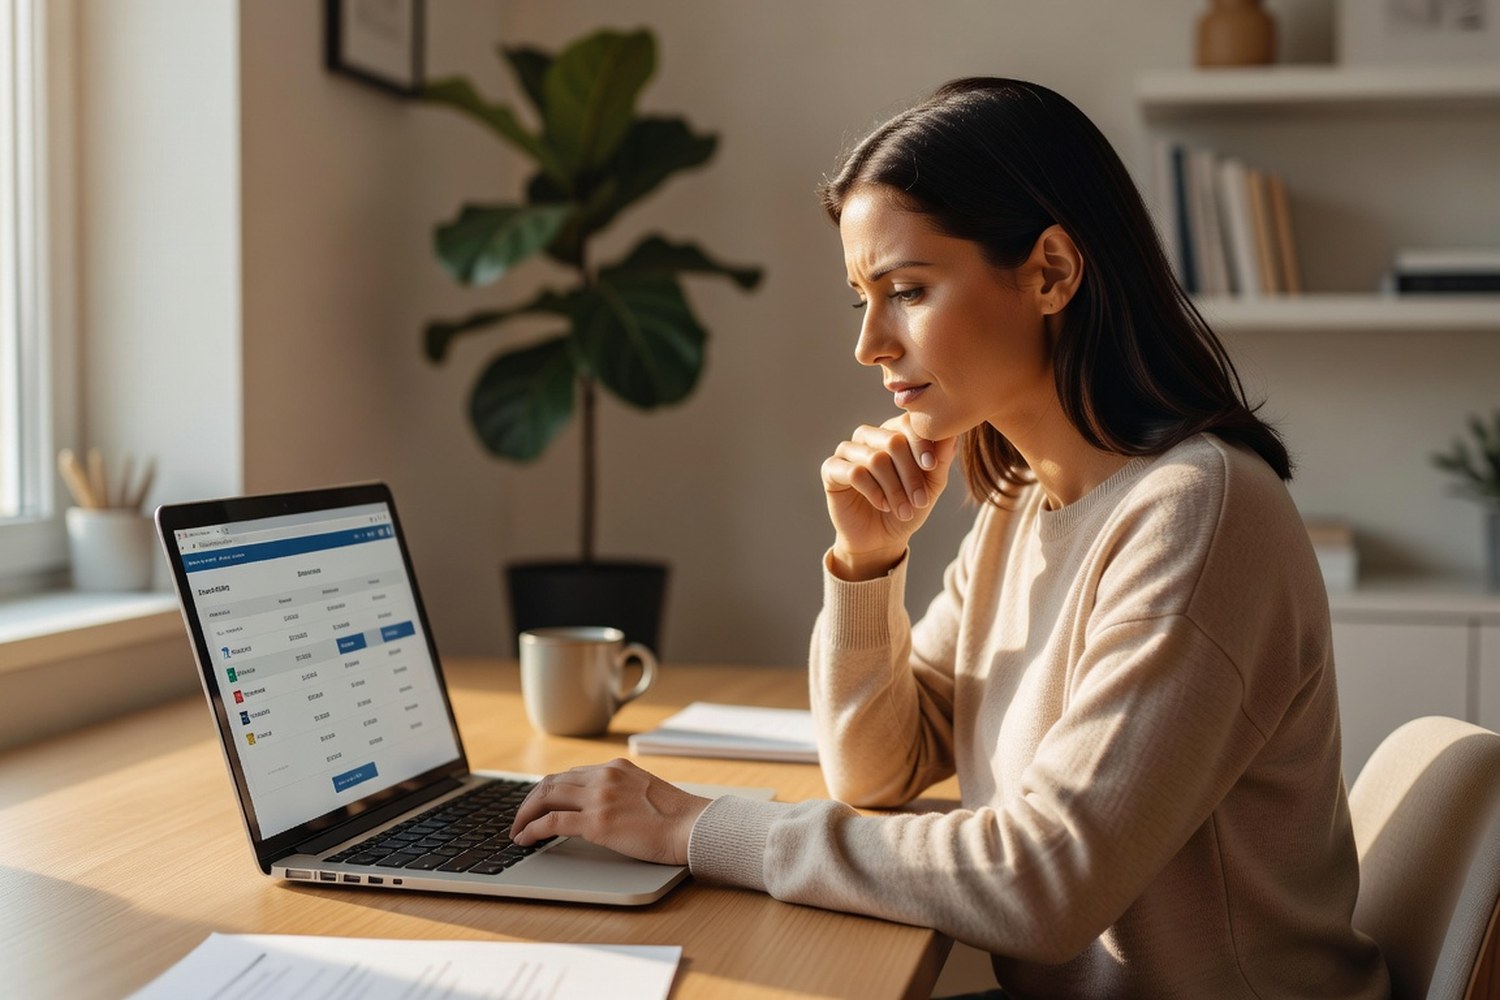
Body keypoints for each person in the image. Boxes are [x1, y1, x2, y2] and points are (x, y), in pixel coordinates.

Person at [510, 77, 1390, 999]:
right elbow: (876, 769)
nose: (872, 344)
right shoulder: (1020, 502)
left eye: (908, 290)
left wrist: (699, 828)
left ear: (1050, 271)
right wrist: (867, 563)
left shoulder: (1199, 512)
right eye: (864, 299)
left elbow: (1041, 883)